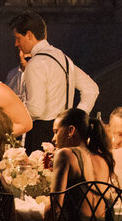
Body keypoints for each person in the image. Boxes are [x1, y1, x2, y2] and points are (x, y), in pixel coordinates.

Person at [10, 11, 100, 149]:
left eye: (18, 38)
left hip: (41, 133)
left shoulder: (36, 64)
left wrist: (13, 112)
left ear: (29, 35)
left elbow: (36, 109)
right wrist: (75, 118)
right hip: (66, 132)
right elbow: (91, 88)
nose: (16, 44)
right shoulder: (63, 58)